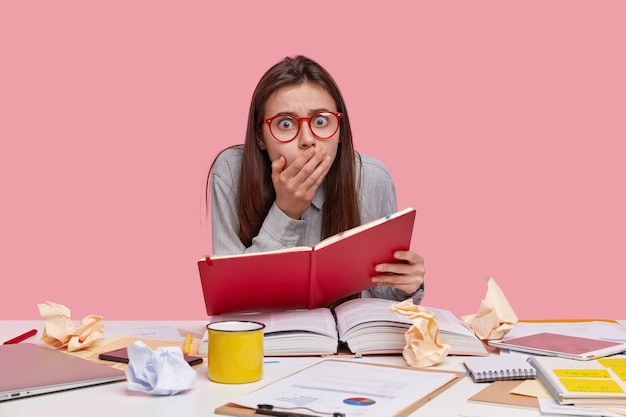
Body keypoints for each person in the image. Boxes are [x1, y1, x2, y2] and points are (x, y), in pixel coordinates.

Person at [207, 55, 425, 305]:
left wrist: (406, 285)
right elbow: (231, 299)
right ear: (260, 137)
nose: (307, 139)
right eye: (286, 124)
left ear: (340, 130)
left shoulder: (372, 178)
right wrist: (285, 212)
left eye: (321, 121)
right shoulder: (231, 173)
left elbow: (382, 296)